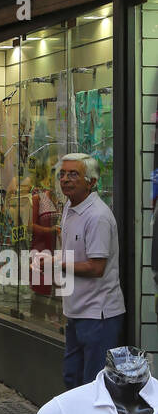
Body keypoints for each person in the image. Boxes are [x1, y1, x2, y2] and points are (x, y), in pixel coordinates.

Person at [58, 153, 123, 390]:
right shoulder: (69, 207)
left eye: (73, 174)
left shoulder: (97, 216)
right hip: (76, 311)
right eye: (62, 174)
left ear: (91, 182)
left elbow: (96, 268)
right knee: (72, 380)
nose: (65, 179)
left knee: (93, 385)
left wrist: (58, 264)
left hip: (98, 314)